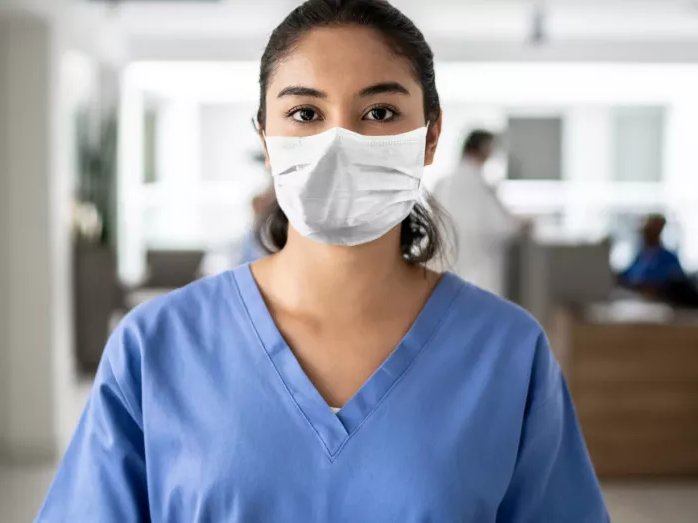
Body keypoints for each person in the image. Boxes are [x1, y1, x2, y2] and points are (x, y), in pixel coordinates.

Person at [37, 1, 607, 521]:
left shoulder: (506, 353)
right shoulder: (158, 347)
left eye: (380, 113)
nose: (340, 142)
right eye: (306, 114)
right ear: (265, 138)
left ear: (430, 137)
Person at [432, 130, 519, 297]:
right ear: (484, 148)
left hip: (446, 273)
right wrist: (518, 225)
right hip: (478, 274)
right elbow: (500, 227)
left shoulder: (443, 183)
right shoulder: (478, 185)